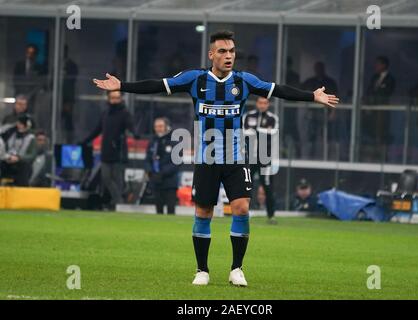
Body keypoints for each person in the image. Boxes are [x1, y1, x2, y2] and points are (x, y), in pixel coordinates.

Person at [92, 30, 339, 287]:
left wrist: (312, 96)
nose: (229, 56)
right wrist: (122, 85)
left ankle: (236, 269)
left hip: (235, 159)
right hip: (206, 159)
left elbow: (279, 91)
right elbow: (157, 84)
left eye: (232, 51)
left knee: (241, 208)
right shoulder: (195, 79)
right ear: (212, 55)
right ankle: (202, 270)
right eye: (222, 51)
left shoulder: (245, 81)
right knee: (204, 212)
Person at [81, 90, 137, 210]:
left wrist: (135, 133)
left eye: (117, 98)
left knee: (117, 180)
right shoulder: (105, 113)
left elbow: (130, 126)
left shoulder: (125, 113)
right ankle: (119, 202)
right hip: (106, 152)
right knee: (106, 178)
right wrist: (86, 140)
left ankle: (117, 203)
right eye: (112, 98)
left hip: (119, 152)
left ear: (121, 98)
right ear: (108, 98)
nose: (114, 100)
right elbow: (97, 130)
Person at [243, 96, 278, 224]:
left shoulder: (272, 118)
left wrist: (256, 131)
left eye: (265, 103)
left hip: (265, 158)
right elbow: (244, 132)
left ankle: (271, 216)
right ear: (257, 103)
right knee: (247, 186)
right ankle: (245, 212)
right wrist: (261, 131)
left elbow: (272, 132)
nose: (262, 105)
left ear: (268, 104)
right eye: (260, 102)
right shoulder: (248, 116)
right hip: (250, 157)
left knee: (268, 187)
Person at [146, 117, 179, 214]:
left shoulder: (174, 142)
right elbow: (147, 159)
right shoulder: (153, 141)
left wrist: (162, 172)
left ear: (167, 127)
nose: (158, 129)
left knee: (170, 210)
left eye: (160, 126)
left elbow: (177, 162)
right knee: (158, 210)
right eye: (156, 126)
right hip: (156, 181)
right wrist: (150, 171)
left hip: (170, 182)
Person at [0, 114, 37, 186]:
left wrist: (19, 158)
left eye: (21, 124)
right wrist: (7, 157)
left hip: (21, 164)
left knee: (24, 166)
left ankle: (22, 188)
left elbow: (32, 155)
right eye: (18, 123)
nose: (19, 125)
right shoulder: (10, 134)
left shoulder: (31, 138)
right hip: (7, 160)